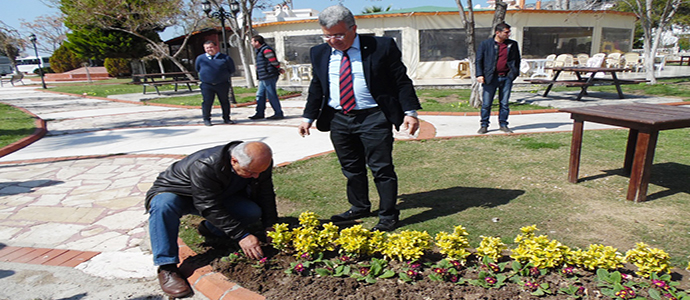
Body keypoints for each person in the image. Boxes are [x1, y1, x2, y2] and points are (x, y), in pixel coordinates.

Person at [297, 5, 422, 232]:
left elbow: (401, 81)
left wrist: (410, 112)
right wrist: (308, 117)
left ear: (353, 28)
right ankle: (359, 205)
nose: (333, 40)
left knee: (381, 168)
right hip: (338, 118)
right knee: (351, 168)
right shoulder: (319, 52)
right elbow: (317, 86)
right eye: (327, 35)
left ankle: (388, 214)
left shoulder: (380, 47)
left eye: (338, 34)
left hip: (373, 116)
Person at [145, 141, 278, 297]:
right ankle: (166, 266)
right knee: (163, 206)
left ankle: (210, 229)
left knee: (250, 212)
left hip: (215, 193)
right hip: (178, 193)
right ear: (234, 161)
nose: (256, 176)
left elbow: (266, 193)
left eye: (259, 172)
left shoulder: (259, 162)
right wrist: (241, 235)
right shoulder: (205, 164)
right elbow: (207, 206)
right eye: (250, 172)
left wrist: (270, 225)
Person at [475, 22, 521, 134]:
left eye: (509, 32)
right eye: (506, 32)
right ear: (497, 32)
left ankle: (503, 124)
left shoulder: (512, 44)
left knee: (504, 103)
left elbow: (517, 60)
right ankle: (484, 125)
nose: (508, 34)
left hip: (506, 78)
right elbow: (478, 60)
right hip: (490, 78)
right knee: (486, 104)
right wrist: (479, 74)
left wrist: (513, 74)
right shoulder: (486, 44)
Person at [195, 40, 236, 126]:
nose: (209, 49)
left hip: (222, 84)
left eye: (211, 47)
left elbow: (231, 69)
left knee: (224, 101)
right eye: (207, 48)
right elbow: (197, 68)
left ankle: (226, 118)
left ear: (216, 47)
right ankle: (206, 119)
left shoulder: (225, 58)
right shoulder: (200, 58)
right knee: (207, 102)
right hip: (207, 85)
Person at [248, 35, 286, 120]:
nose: (251, 43)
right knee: (260, 95)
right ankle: (259, 113)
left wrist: (278, 68)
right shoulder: (259, 51)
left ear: (257, 42)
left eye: (252, 41)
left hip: (269, 75)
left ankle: (278, 113)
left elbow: (274, 62)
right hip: (263, 76)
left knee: (271, 95)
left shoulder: (266, 50)